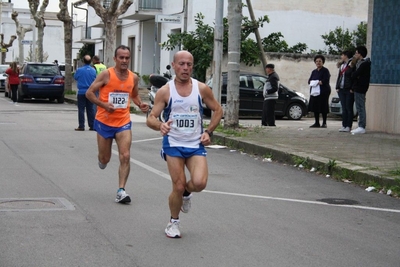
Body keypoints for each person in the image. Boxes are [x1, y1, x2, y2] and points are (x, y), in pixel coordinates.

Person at [146, 50, 223, 238]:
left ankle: (188, 192)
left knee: (199, 183)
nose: (185, 68)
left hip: (195, 143)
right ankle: (173, 222)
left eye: (189, 64)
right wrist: (160, 126)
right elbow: (151, 117)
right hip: (173, 144)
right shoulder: (166, 91)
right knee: (178, 186)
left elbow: (218, 110)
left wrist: (209, 131)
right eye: (181, 64)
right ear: (174, 66)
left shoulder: (202, 88)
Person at [85, 45, 149, 204]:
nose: (124, 60)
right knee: (105, 159)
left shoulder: (133, 77)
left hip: (123, 122)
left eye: (127, 58)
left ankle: (121, 190)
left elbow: (134, 95)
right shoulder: (106, 74)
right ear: (115, 59)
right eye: (121, 57)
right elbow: (89, 93)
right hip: (104, 121)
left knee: (125, 155)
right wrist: (104, 105)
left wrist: (140, 104)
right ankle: (102, 159)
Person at [350, 45, 371, 135]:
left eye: (356, 53)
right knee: (359, 107)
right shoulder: (359, 63)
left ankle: (362, 126)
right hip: (358, 87)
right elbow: (354, 75)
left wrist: (356, 75)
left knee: (360, 107)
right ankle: (360, 125)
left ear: (360, 54)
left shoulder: (364, 64)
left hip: (361, 87)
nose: (355, 55)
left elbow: (355, 74)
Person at [74, 55, 96, 131]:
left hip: (81, 92)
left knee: (81, 109)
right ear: (91, 61)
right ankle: (92, 125)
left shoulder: (79, 70)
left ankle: (81, 126)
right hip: (90, 92)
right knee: (91, 109)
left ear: (83, 61)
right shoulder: (93, 70)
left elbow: (75, 77)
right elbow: (95, 79)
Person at [308, 55, 331, 128]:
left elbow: (326, 80)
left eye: (320, 61)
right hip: (314, 91)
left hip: (323, 91)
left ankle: (324, 123)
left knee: (323, 106)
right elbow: (309, 80)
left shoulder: (325, 70)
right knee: (315, 107)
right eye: (317, 61)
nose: (318, 63)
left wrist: (320, 82)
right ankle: (316, 122)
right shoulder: (314, 71)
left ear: (323, 62)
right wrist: (314, 82)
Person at [335, 50, 355, 132]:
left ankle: (348, 126)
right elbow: (339, 77)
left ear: (346, 56)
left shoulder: (352, 65)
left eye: (342, 55)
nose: (341, 57)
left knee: (348, 108)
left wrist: (352, 88)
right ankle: (344, 125)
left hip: (348, 89)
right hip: (341, 89)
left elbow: (353, 77)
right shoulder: (342, 65)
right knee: (344, 108)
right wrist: (337, 86)